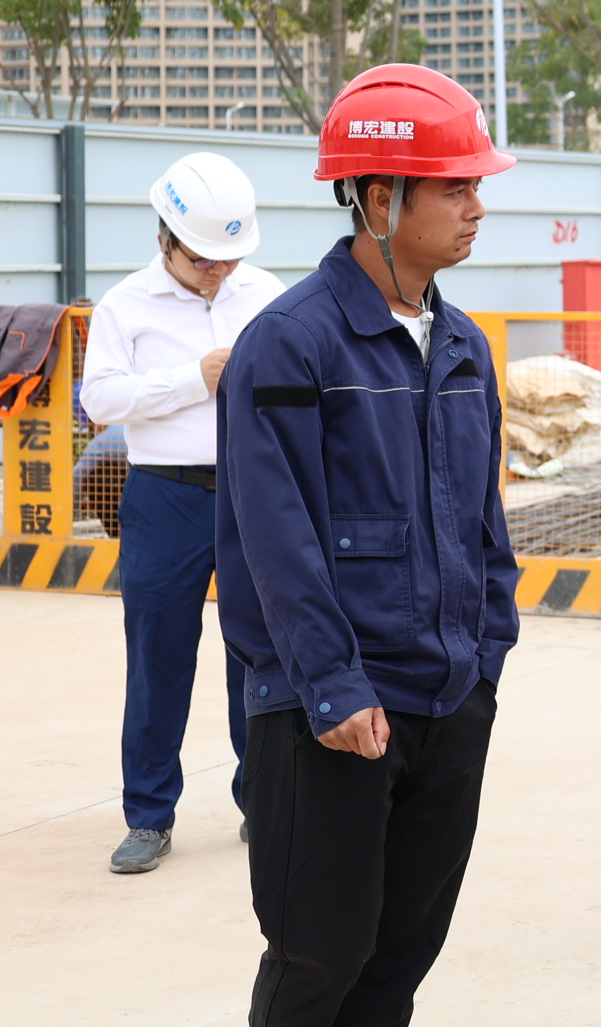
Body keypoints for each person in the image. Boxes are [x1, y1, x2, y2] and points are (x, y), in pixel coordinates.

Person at [217, 64, 519, 1027]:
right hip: (332, 711)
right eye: (456, 187)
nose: (477, 207)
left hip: (448, 699)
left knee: (400, 959)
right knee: (320, 957)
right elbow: (274, 538)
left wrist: (487, 657)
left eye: (475, 186)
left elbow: (482, 523)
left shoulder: (463, 346)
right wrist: (333, 685)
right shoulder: (290, 343)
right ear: (381, 199)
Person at [81, 152, 283, 873]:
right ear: (165, 237)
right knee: (158, 659)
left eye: (229, 259)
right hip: (164, 495)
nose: (217, 272)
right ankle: (148, 817)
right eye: (203, 259)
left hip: (254, 492)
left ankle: (265, 803)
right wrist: (192, 380)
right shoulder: (125, 305)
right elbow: (100, 399)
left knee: (261, 655)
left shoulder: (267, 294)